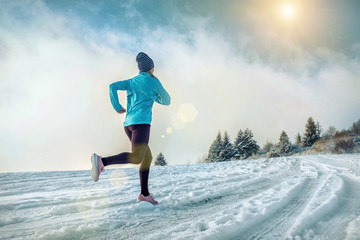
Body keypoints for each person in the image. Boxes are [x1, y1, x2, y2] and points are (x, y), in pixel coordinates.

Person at [91, 52, 171, 204]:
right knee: (138, 157)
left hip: (128, 124)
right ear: (151, 67)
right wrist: (154, 97)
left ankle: (144, 194)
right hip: (141, 124)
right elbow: (167, 100)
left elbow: (112, 86)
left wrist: (117, 107)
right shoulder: (154, 82)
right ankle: (102, 161)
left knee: (146, 157)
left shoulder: (132, 81)